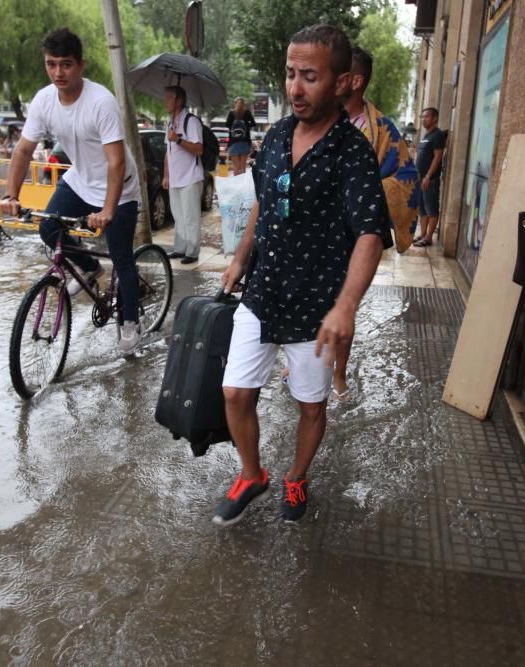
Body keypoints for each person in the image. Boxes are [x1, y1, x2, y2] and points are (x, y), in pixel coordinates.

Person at [214, 25, 392, 526]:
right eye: (291, 74)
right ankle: (252, 474)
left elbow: (370, 235)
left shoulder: (351, 153)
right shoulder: (273, 136)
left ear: (341, 83)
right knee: (234, 392)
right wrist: (240, 257)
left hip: (317, 306)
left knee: (310, 406)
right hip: (263, 290)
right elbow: (262, 205)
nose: (295, 87)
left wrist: (345, 306)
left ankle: (296, 475)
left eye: (309, 76)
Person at [0, 27, 142, 354]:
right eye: (51, 64)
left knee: (123, 260)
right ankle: (90, 268)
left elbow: (116, 163)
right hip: (80, 180)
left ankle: (131, 324)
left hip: (118, 187)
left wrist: (107, 210)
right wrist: (11, 195)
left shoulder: (101, 102)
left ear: (81, 65)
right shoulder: (44, 100)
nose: (58, 72)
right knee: (48, 227)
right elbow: (22, 151)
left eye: (66, 64)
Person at [325, 46, 421, 401]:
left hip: (355, 237)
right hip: (316, 234)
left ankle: (338, 373)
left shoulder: (380, 128)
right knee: (310, 300)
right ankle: (305, 362)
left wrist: (368, 191)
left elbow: (407, 177)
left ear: (355, 80)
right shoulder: (319, 117)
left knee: (345, 304)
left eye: (338, 71)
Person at [163, 85, 204, 265]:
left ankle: (192, 251)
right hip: (175, 178)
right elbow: (168, 152)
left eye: (169, 98)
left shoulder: (191, 121)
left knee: (190, 217)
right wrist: (166, 175)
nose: (165, 102)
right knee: (178, 216)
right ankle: (180, 248)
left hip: (190, 177)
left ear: (178, 101)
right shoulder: (171, 123)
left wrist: (178, 139)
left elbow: (198, 149)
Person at [414, 107, 446, 247]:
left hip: (430, 180)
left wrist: (428, 176)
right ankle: (422, 234)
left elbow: (438, 157)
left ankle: (428, 238)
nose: (423, 119)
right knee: (422, 209)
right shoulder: (426, 136)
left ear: (435, 119)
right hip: (420, 180)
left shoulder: (437, 135)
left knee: (432, 209)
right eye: (422, 117)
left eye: (426, 117)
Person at [225, 97, 257, 175]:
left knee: (236, 166)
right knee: (243, 167)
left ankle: (235, 185)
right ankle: (242, 185)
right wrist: (246, 125)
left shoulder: (231, 113)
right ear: (244, 104)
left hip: (233, 143)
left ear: (235, 104)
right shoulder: (247, 113)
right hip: (245, 142)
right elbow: (254, 124)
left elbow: (227, 125)